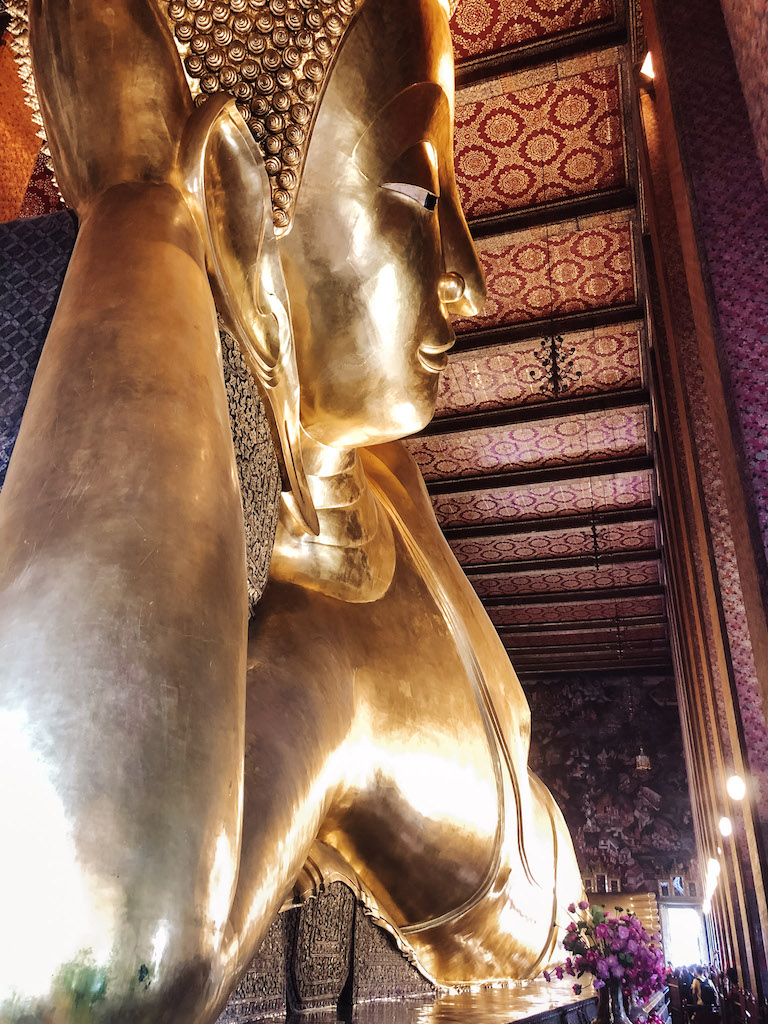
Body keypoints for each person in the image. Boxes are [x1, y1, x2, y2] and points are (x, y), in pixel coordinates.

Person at [0, 0, 582, 1020]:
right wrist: (146, 208)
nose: (471, 281)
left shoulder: (388, 470)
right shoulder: (317, 668)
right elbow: (80, 955)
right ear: (237, 211)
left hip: (554, 935)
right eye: (418, 192)